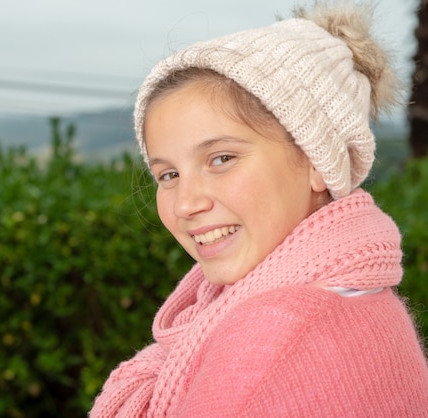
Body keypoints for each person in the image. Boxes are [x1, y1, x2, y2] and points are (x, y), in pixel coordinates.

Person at [89, 1, 428, 416]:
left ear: (317, 162)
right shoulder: (364, 298)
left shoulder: (274, 334)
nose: (186, 204)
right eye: (168, 175)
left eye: (222, 159)